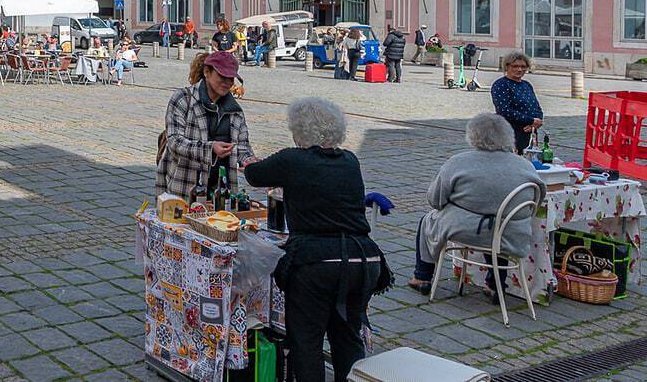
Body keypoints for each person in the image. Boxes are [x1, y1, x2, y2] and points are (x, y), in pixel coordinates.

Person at [244, 98, 388, 382]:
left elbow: (253, 175)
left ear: (300, 130)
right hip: (362, 258)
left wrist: (250, 162)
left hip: (317, 261)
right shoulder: (350, 160)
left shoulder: (293, 160)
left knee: (306, 342)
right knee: (347, 338)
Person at [407, 113, 545, 299]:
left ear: (473, 136)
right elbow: (538, 196)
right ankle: (496, 284)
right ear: (508, 136)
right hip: (513, 233)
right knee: (500, 222)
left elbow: (435, 200)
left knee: (428, 219)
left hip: (469, 230)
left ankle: (422, 277)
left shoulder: (458, 162)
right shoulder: (525, 165)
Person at [156, 50, 256, 200]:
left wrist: (249, 161)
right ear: (207, 72)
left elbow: (242, 147)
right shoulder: (183, 98)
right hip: (184, 189)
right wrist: (210, 149)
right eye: (222, 76)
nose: (227, 82)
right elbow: (175, 142)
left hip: (221, 193)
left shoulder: (235, 111)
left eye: (231, 78)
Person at [490, 51, 543, 154]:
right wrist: (531, 120)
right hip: (511, 132)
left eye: (523, 66)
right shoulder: (501, 85)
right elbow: (504, 110)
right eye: (515, 66)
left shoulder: (526, 85)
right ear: (507, 67)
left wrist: (537, 122)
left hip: (529, 131)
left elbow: (536, 106)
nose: (519, 69)